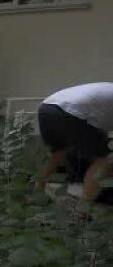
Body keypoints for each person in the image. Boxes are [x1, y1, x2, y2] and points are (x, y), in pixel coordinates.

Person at [35, 82, 112, 213]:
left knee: (57, 153)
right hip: (72, 112)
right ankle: (82, 210)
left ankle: (36, 193)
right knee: (104, 159)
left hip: (48, 107)